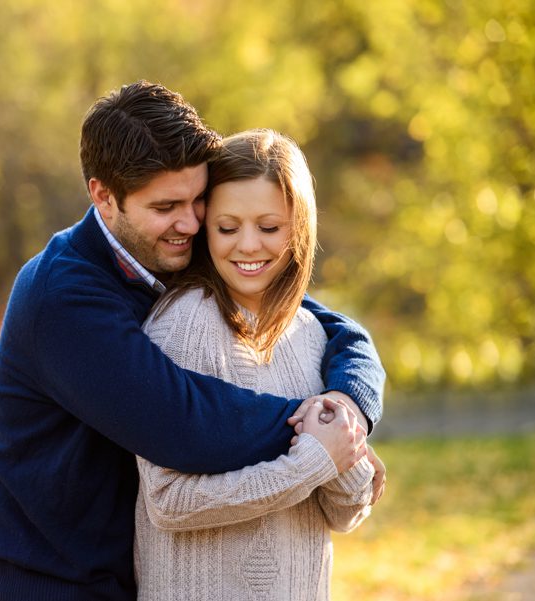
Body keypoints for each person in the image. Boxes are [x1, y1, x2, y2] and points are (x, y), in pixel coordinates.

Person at [0, 81, 386, 601]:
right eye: (167, 206)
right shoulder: (63, 297)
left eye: (198, 201)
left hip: (124, 577)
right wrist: (318, 433)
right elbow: (184, 422)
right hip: (46, 583)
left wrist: (348, 401)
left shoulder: (168, 253)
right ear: (103, 196)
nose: (188, 223)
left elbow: (323, 322)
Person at [134, 129, 378, 601]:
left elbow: (344, 514)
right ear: (205, 228)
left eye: (269, 228)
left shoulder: (310, 332)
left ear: (299, 229)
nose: (247, 246)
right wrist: (314, 460)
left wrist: (346, 448)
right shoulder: (183, 325)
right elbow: (169, 501)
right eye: (228, 227)